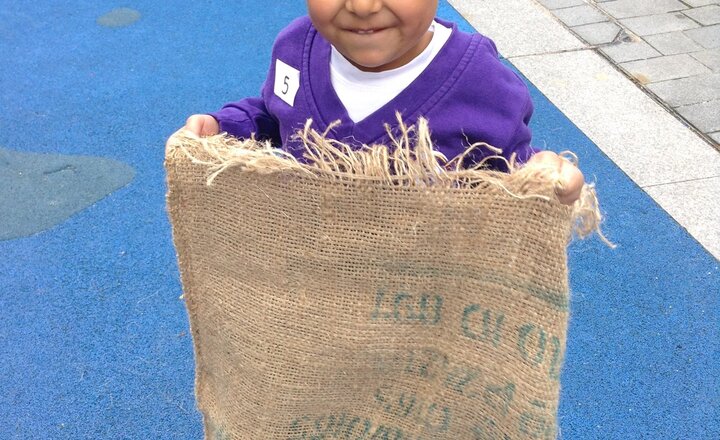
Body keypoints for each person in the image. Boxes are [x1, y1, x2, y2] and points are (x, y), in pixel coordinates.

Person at [182, 0, 584, 204]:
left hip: (420, 308)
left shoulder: (481, 81)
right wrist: (227, 127)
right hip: (310, 283)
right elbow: (275, 118)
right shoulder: (295, 48)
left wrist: (546, 180)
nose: (361, 7)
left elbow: (509, 172)